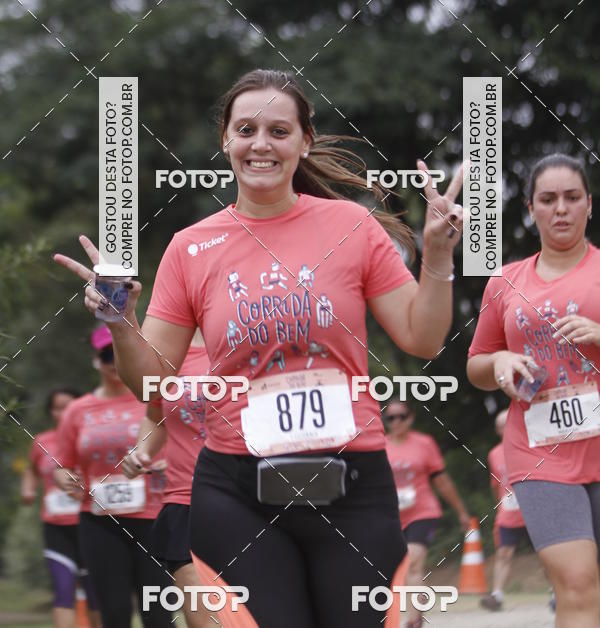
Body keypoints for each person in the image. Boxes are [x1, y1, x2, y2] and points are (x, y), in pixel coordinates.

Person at [54, 68, 465, 628]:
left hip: (352, 481)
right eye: (246, 130)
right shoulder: (191, 247)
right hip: (236, 490)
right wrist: (121, 321)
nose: (261, 144)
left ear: (304, 141)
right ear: (225, 140)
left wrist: (437, 257)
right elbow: (154, 382)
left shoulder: (352, 226)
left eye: (278, 130)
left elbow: (424, 338)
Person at [467, 153, 600, 628]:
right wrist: (499, 361)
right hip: (540, 453)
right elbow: (476, 366)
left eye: (571, 197)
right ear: (530, 209)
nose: (560, 209)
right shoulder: (505, 281)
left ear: (589, 204)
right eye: (547, 199)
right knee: (577, 583)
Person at [53, 324, 172, 628]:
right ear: (96, 360)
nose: (115, 362)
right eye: (107, 355)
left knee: (158, 615)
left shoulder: (154, 399)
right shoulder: (77, 411)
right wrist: (65, 478)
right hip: (100, 523)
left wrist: (167, 463)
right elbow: (62, 465)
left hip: (155, 519)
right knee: (114, 614)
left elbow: (184, 444)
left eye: (120, 353)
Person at [122, 330, 218, 628]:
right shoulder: (170, 352)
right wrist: (142, 451)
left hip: (250, 499)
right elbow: (155, 416)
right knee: (205, 619)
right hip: (185, 500)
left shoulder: (250, 340)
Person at [384, 400, 470, 628]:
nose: (396, 422)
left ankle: (413, 620)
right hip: (393, 516)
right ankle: (419, 602)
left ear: (410, 418)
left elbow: (442, 481)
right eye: (391, 418)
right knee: (400, 567)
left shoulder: (424, 444)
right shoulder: (381, 446)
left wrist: (461, 511)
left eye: (401, 416)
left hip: (423, 512)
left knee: (413, 562)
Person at [21, 386, 101, 628]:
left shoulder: (93, 438)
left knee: (95, 594)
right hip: (56, 528)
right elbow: (31, 470)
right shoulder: (41, 442)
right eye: (57, 408)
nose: (63, 412)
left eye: (68, 407)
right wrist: (28, 489)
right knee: (63, 591)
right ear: (50, 412)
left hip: (91, 524)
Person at [479, 408, 530, 612]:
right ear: (497, 430)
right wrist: (500, 504)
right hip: (508, 510)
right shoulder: (494, 454)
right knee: (503, 553)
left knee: (547, 551)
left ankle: (556, 591)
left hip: (532, 506)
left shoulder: (529, 445)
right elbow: (495, 483)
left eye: (508, 423)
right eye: (501, 426)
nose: (506, 428)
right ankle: (497, 595)